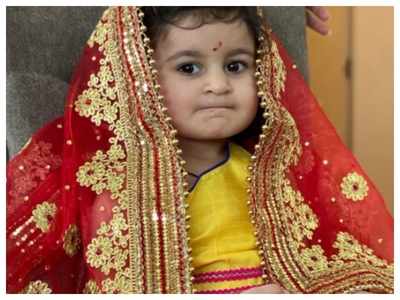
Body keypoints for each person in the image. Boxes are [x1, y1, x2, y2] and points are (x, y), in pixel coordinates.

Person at [6, 6, 393, 294]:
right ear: (141, 76)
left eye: (236, 66)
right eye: (189, 68)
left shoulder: (273, 173)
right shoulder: (119, 192)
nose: (218, 85)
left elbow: (319, 259)